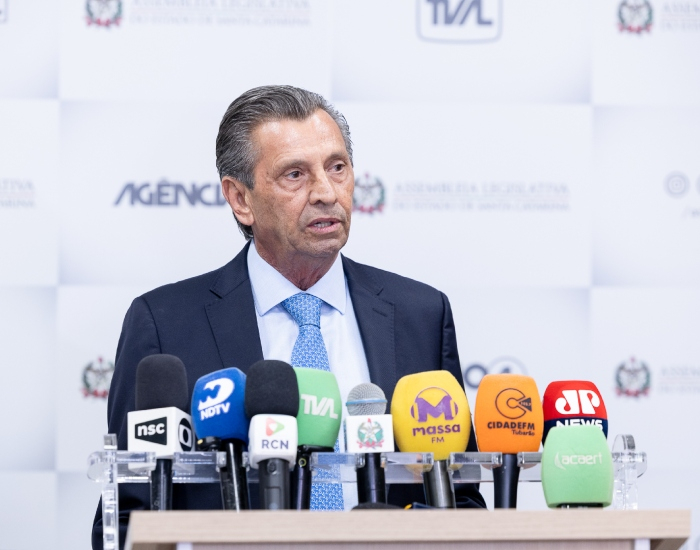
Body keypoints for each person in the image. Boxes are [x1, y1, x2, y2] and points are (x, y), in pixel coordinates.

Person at [92, 85, 485, 549]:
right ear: (240, 198)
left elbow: (461, 500)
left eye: (337, 167)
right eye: (295, 174)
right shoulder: (165, 324)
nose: (326, 192)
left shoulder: (420, 314)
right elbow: (129, 517)